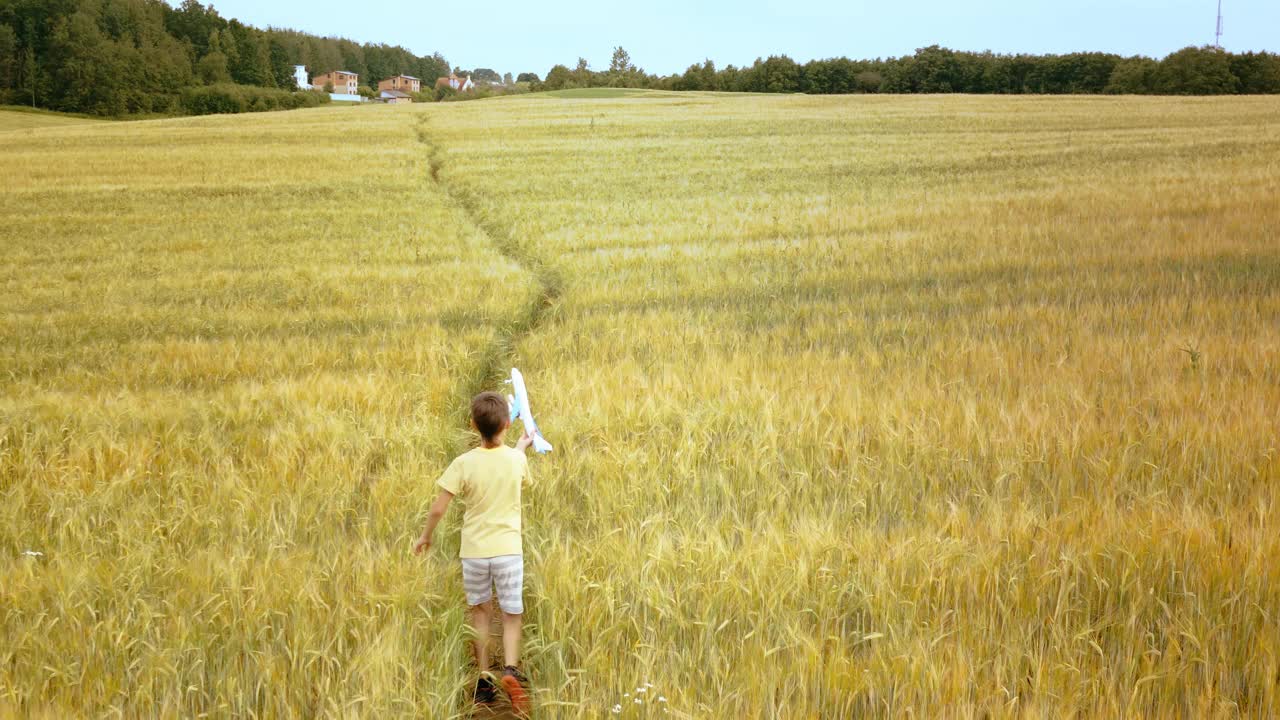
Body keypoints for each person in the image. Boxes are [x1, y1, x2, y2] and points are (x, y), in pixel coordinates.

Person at [414, 391, 535, 715]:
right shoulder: (516, 459)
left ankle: (484, 681)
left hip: (475, 554)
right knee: (511, 614)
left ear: (472, 425)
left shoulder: (463, 463)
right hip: (509, 551)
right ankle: (510, 670)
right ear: (508, 423)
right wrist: (521, 448)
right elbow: (515, 468)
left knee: (480, 613)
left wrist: (425, 536)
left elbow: (439, 508)